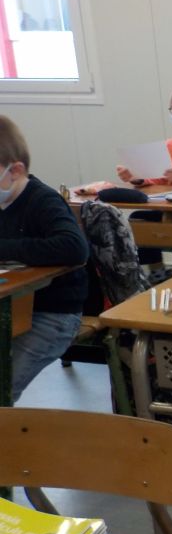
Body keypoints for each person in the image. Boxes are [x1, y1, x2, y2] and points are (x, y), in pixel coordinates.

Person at [0, 115, 89, 402]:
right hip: (13, 308)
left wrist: (5, 248)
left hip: (53, 314)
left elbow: (75, 248)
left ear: (15, 170)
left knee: (2, 387)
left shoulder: (42, 200)